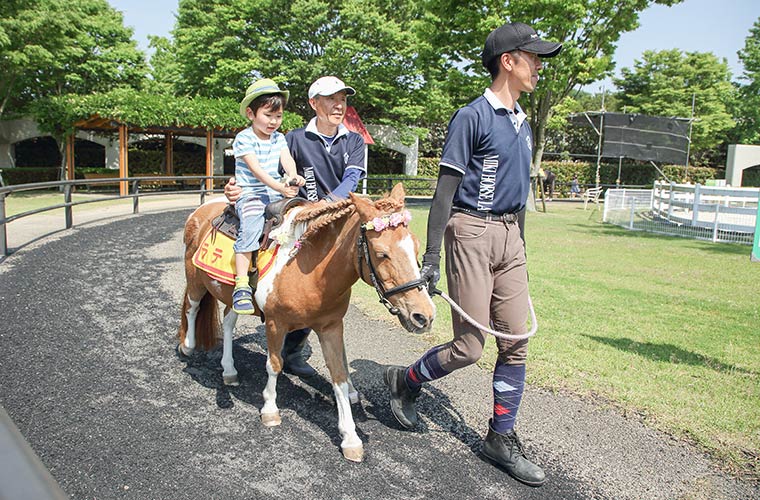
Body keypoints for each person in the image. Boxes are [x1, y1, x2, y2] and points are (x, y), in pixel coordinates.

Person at [383, 21, 562, 487]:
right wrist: (433, 257)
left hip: (510, 238)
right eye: (533, 57)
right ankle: (406, 381)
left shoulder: (522, 124)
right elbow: (444, 195)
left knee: (517, 342)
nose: (539, 65)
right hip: (469, 232)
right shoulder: (473, 116)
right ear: (509, 61)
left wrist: (519, 245)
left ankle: (500, 438)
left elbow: (519, 195)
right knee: (469, 348)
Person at [225, 76, 365, 375]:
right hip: (302, 220)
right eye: (331, 98)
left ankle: (295, 347)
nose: (339, 105)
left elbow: (353, 178)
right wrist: (235, 188)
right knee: (298, 284)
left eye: (342, 98)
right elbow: (267, 171)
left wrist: (328, 205)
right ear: (314, 103)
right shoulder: (295, 138)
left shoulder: (354, 140)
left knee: (338, 284)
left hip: (338, 220)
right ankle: (267, 310)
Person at [231, 78, 305, 314]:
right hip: (252, 193)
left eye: (278, 116)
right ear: (251, 114)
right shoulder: (244, 138)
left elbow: (287, 160)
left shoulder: (279, 138)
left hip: (275, 193)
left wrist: (293, 176)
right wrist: (281, 187)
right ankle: (241, 283)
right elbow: (257, 171)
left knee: (300, 219)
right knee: (252, 223)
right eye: (268, 115)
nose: (274, 121)